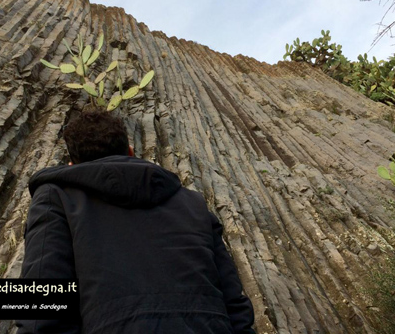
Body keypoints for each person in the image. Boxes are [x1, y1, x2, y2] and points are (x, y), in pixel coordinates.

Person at [16, 109, 255, 334]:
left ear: (71, 165)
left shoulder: (56, 197)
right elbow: (235, 303)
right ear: (130, 151)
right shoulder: (193, 203)